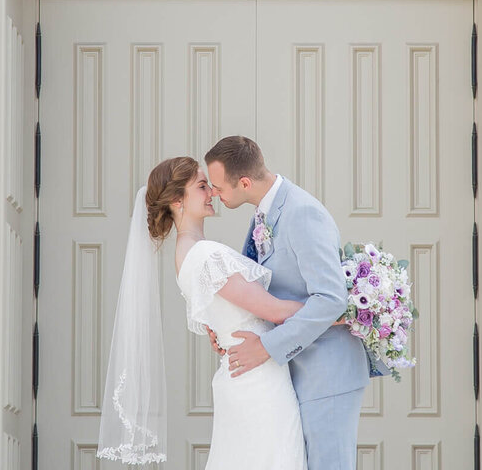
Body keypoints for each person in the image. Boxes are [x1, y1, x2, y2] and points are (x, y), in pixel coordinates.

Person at [97, 156, 306, 469]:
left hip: (243, 374)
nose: (213, 192)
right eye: (202, 186)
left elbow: (221, 313)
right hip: (258, 381)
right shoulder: (205, 256)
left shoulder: (188, 253)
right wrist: (340, 310)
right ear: (178, 200)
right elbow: (274, 311)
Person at [205, 136, 370, 470]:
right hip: (296, 372)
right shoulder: (262, 216)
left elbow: (331, 298)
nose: (214, 195)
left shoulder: (301, 212)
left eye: (218, 187)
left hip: (327, 374)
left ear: (245, 182)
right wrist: (223, 326)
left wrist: (266, 346)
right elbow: (256, 287)